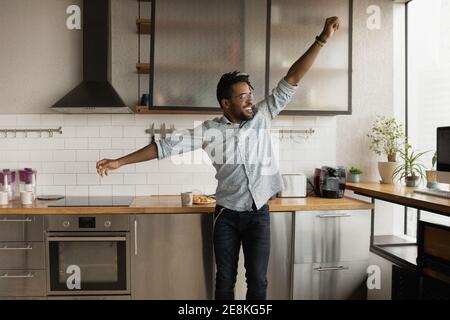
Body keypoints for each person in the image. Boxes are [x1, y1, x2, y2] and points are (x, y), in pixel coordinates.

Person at [96, 16, 340, 300]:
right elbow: (163, 147)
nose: (250, 100)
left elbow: (293, 78)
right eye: (243, 97)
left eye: (250, 94)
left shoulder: (263, 116)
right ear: (226, 103)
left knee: (258, 282)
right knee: (224, 280)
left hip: (258, 213)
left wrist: (321, 39)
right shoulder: (209, 131)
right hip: (226, 214)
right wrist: (118, 162)